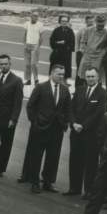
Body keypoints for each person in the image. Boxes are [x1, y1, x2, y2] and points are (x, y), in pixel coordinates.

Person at [20, 64, 72, 193]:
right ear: (52, 73)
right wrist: (35, 122)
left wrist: (65, 123)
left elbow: (68, 109)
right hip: (40, 128)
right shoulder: (41, 87)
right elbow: (30, 106)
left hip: (57, 129)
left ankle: (48, 182)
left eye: (62, 74)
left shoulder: (65, 90)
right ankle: (34, 182)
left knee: (53, 157)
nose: (61, 76)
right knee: (36, 156)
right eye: (59, 74)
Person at [64, 67, 106, 198]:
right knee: (75, 160)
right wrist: (73, 123)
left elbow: (98, 113)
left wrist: (83, 125)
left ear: (98, 77)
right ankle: (74, 188)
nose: (90, 79)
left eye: (93, 76)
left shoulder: (103, 93)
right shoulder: (80, 90)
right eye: (88, 76)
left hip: (91, 134)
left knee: (91, 163)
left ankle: (89, 190)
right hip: (76, 132)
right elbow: (71, 108)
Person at [0, 54, 23, 179]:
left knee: (5, 145)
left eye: (5, 64)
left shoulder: (17, 81)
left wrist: (13, 119)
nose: (3, 66)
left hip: (7, 120)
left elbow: (18, 102)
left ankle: (0, 169)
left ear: (10, 64)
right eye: (1, 64)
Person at [77, 13, 107, 91]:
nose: (100, 26)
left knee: (96, 76)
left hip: (98, 58)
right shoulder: (88, 30)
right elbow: (83, 42)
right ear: (96, 22)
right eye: (99, 24)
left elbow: (106, 47)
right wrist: (84, 51)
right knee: (84, 76)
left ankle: (96, 93)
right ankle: (84, 92)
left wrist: (101, 54)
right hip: (87, 56)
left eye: (102, 24)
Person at [49, 15, 76, 79]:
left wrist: (65, 44)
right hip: (57, 53)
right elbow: (52, 42)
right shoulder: (56, 30)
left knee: (65, 71)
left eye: (66, 21)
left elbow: (72, 44)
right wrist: (59, 43)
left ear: (68, 22)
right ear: (60, 22)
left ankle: (64, 83)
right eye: (63, 21)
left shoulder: (70, 31)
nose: (64, 22)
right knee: (55, 69)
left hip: (66, 54)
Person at [23, 12, 44, 85]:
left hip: (35, 46)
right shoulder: (27, 24)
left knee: (33, 64)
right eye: (34, 16)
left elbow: (41, 37)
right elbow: (25, 34)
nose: (35, 17)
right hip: (27, 45)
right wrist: (24, 44)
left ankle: (36, 79)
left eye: (37, 16)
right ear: (31, 16)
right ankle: (28, 80)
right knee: (27, 64)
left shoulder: (40, 25)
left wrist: (38, 46)